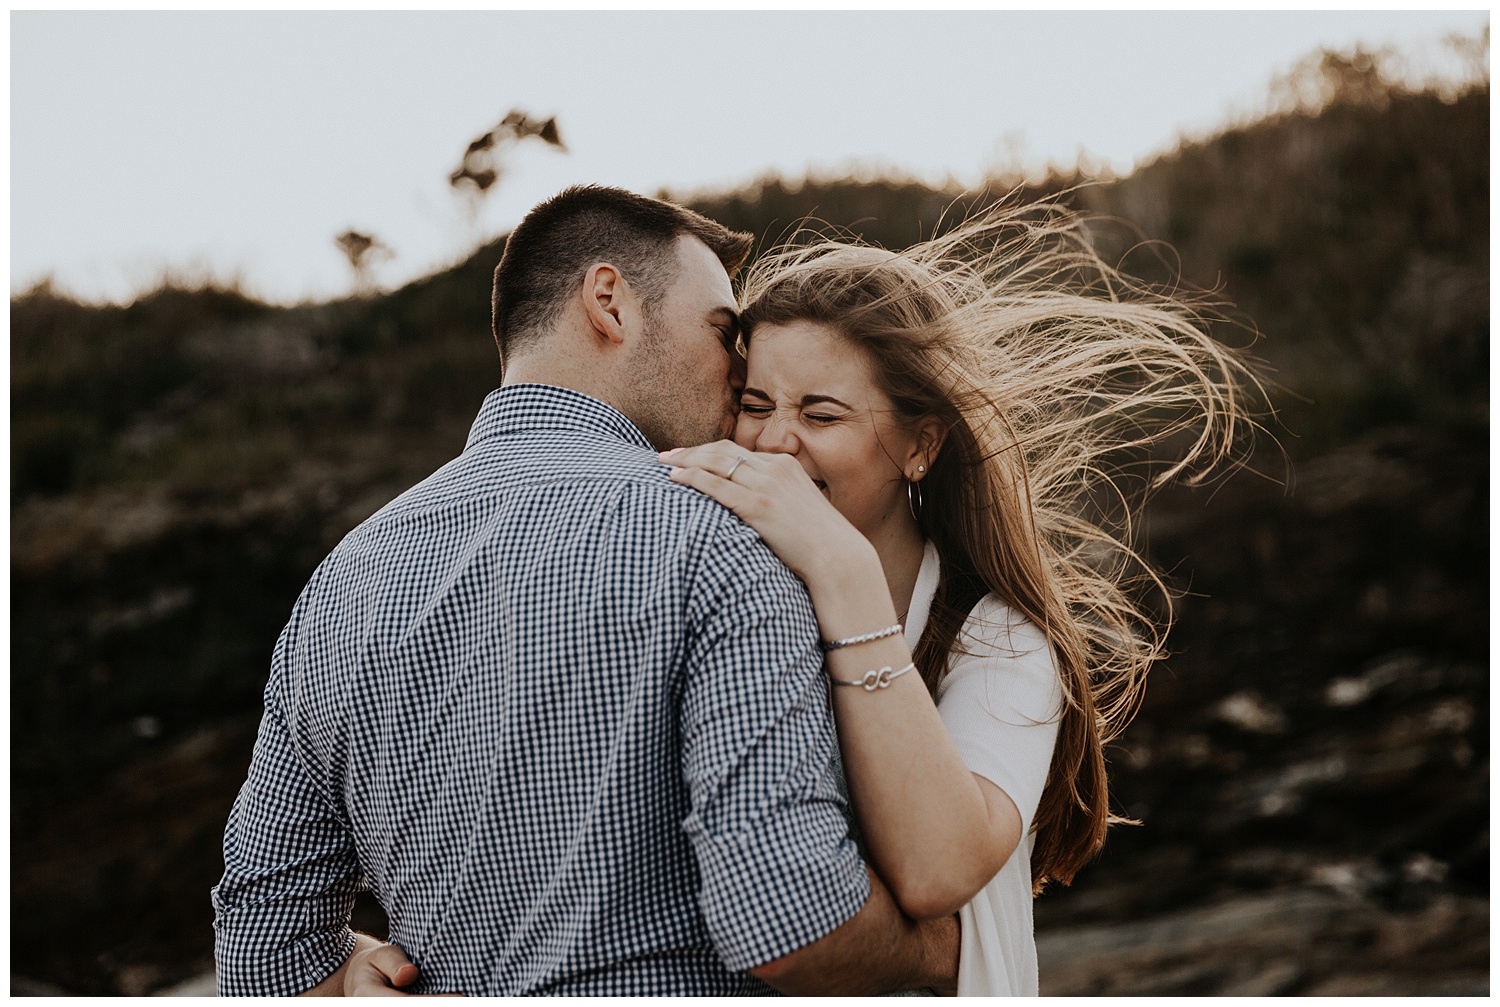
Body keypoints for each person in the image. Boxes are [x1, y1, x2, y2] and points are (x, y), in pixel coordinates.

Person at [210, 185, 959, 996]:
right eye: (720, 331)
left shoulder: (344, 578)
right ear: (610, 302)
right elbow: (787, 919)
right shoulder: (725, 541)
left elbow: (263, 951)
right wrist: (943, 951)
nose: (739, 368)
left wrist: (352, 961)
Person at [656, 202, 1259, 995]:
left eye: (821, 413)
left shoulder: (1002, 638)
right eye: (756, 405)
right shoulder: (725, 595)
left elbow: (939, 866)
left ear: (921, 444)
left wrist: (844, 571)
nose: (772, 443)